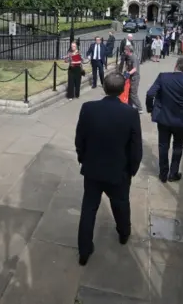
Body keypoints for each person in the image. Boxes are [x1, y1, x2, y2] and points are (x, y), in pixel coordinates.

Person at [75, 72, 143, 266]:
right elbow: (135, 146)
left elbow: (80, 139)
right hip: (118, 171)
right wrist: (132, 169)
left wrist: (83, 159)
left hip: (93, 169)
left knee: (88, 209)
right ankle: (124, 233)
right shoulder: (130, 113)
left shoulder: (88, 108)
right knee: (121, 204)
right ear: (123, 90)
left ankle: (84, 250)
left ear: (104, 88)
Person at [145, 58, 183, 183]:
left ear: (176, 65)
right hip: (181, 120)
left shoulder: (163, 77)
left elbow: (150, 94)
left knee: (163, 145)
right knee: (178, 145)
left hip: (164, 118)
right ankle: (173, 173)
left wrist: (150, 109)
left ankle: (163, 173)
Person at [118, 45, 143, 113]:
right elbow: (128, 66)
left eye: (125, 50)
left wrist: (128, 73)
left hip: (135, 78)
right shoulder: (128, 57)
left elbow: (135, 69)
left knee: (133, 94)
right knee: (129, 93)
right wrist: (126, 71)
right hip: (131, 77)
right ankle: (130, 106)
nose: (124, 51)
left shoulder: (133, 58)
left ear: (128, 51)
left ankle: (139, 108)